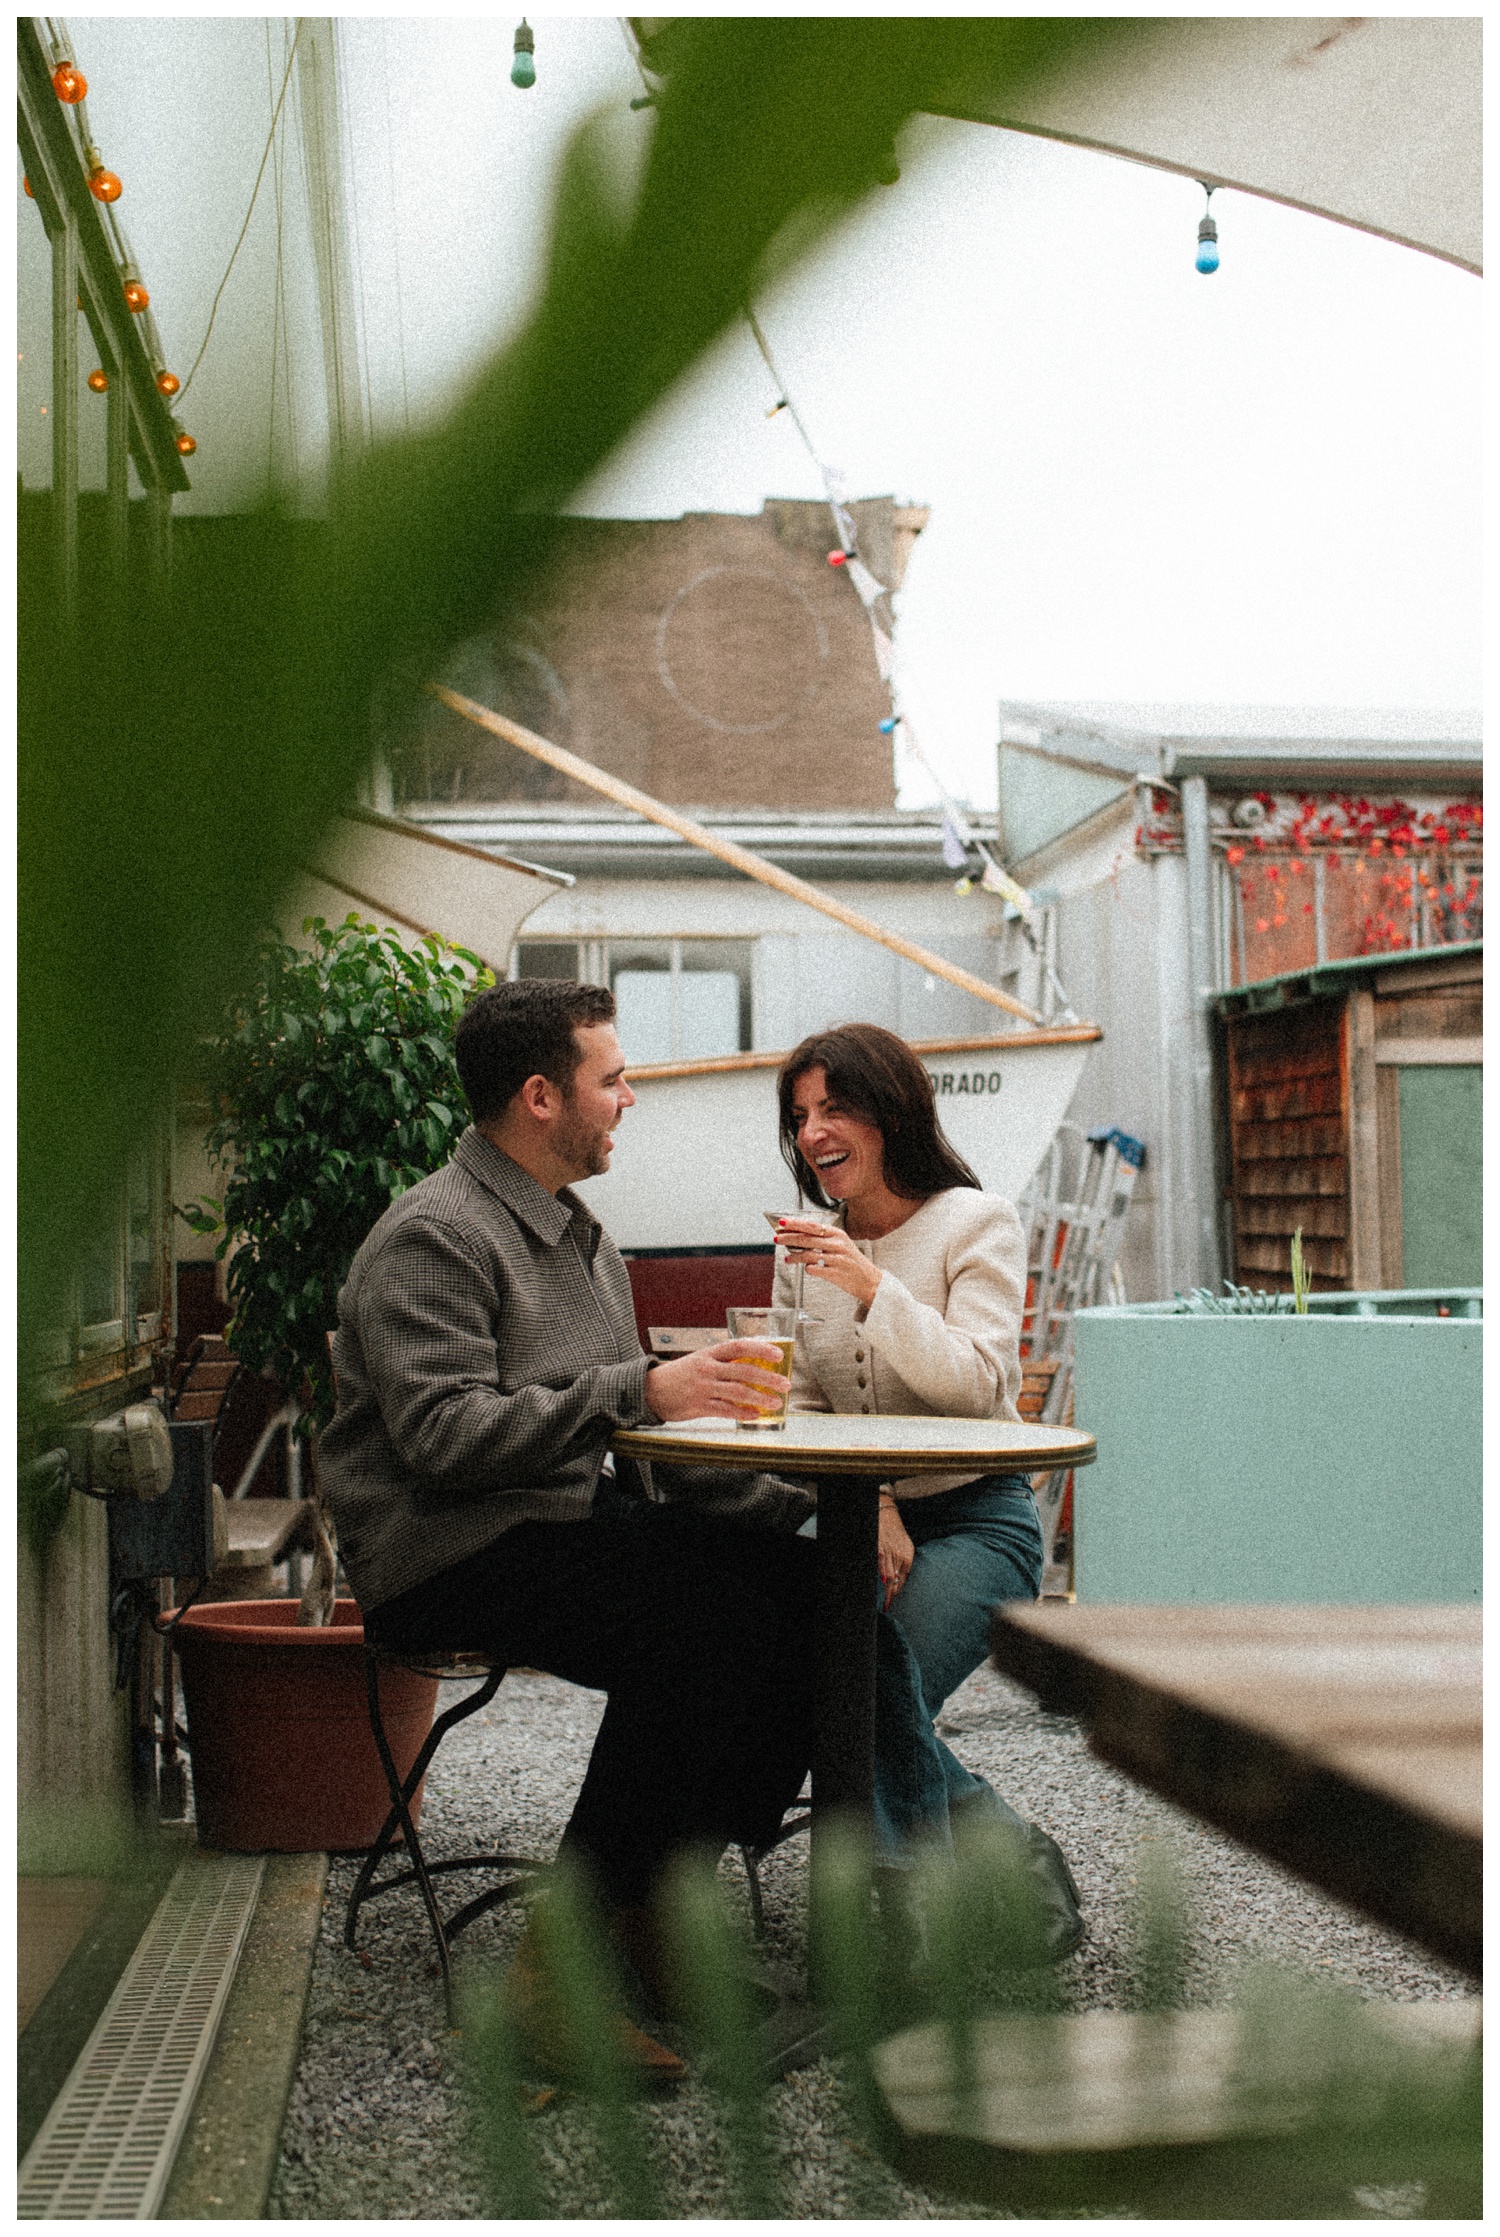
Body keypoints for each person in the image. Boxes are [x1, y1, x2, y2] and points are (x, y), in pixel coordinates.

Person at [319, 978, 817, 2081]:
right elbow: (444, 1438)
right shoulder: (433, 1235)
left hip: (551, 1526)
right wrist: (643, 1387)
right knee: (700, 1613)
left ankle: (648, 1916)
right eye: (615, 1077)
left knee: (792, 1588)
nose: (631, 1097)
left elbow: (634, 1428)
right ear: (542, 1096)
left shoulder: (578, 1234)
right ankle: (554, 1974)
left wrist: (804, 1518)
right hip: (442, 1553)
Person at [770, 1021, 1083, 1958]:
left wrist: (874, 1288)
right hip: (855, 1517)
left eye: (833, 1108)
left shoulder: (975, 1221)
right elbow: (795, 1399)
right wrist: (873, 1503)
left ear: (890, 1111)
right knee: (819, 1664)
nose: (813, 1132)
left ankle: (909, 1907)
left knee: (858, 1677)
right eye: (800, 1116)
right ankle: (1007, 1861)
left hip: (979, 1518)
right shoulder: (805, 1244)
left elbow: (983, 1384)